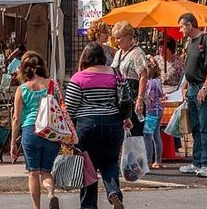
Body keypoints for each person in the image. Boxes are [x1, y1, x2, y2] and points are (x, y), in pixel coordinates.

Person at [65, 42, 127, 209]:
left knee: (88, 167)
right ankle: (113, 191)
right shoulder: (116, 74)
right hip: (113, 123)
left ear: (85, 57)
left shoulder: (79, 78)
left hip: (87, 125)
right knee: (110, 161)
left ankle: (88, 206)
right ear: (104, 57)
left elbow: (70, 107)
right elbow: (125, 99)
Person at [10, 51, 62, 209]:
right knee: (46, 170)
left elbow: (16, 118)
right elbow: (61, 108)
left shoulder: (22, 89)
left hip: (30, 130)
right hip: (51, 130)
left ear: (24, 70)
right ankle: (51, 193)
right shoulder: (53, 84)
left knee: (33, 172)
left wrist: (13, 142)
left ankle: (37, 207)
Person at [178, 13, 207, 178]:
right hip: (193, 88)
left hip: (203, 88)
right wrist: (185, 85)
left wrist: (205, 87)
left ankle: (206, 163)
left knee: (205, 126)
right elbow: (191, 66)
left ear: (190, 25)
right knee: (195, 127)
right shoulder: (190, 43)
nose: (180, 30)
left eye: (182, 26)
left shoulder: (206, 40)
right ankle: (196, 161)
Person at [111, 21, 148, 136]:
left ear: (128, 37)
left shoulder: (137, 53)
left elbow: (143, 75)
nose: (116, 41)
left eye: (119, 38)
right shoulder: (118, 53)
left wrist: (140, 99)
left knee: (135, 132)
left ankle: (137, 154)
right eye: (115, 38)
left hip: (132, 95)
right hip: (120, 96)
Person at [143, 61, 165, 169]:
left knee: (147, 135)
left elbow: (148, 98)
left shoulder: (149, 83)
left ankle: (148, 161)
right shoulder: (157, 81)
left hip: (151, 110)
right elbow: (161, 94)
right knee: (157, 135)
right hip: (159, 109)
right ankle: (158, 161)